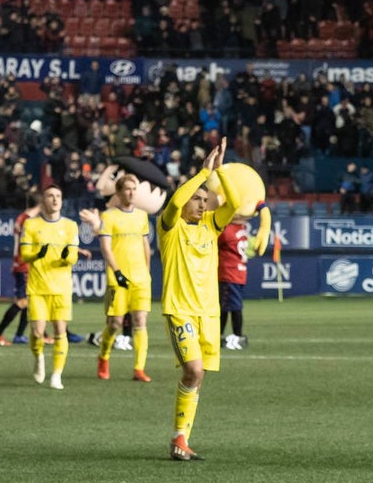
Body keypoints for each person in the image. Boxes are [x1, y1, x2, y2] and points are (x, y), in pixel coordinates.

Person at [159, 139, 239, 461]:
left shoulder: (210, 226)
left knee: (198, 376)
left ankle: (182, 440)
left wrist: (219, 175)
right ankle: (179, 438)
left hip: (208, 314)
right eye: (198, 198)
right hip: (180, 310)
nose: (203, 204)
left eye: (206, 199)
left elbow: (233, 205)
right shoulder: (170, 226)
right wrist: (201, 174)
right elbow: (176, 201)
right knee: (193, 371)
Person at [79, 174, 152, 383]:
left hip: (140, 279)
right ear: (119, 193)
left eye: (133, 189)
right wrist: (117, 271)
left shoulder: (142, 216)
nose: (131, 192)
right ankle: (103, 356)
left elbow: (146, 245)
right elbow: (106, 247)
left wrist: (146, 272)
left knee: (140, 321)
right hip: (116, 279)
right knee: (114, 323)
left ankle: (139, 368)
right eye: (127, 189)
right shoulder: (108, 217)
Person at [19, 185, 79, 390]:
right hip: (37, 287)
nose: (55, 199)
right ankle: (39, 358)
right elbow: (24, 254)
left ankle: (57, 375)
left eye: (58, 196)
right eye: (50, 196)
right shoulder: (31, 225)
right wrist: (38, 255)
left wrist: (66, 257)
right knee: (37, 332)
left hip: (61, 288)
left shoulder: (71, 226)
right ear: (43, 201)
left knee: (60, 330)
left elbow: (73, 256)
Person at [0, 196, 40, 346]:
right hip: (24, 264)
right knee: (22, 301)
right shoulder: (28, 220)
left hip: (22, 263)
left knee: (29, 300)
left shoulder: (21, 218)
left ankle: (19, 335)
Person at [218, 219, 250, 350]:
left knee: (226, 307)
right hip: (240, 272)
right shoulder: (241, 229)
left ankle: (234, 336)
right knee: (231, 306)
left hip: (228, 272)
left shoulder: (227, 231)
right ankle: (235, 335)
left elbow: (215, 241)